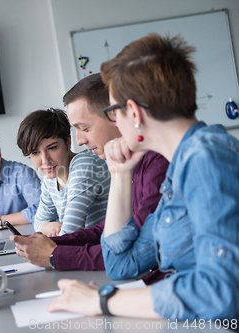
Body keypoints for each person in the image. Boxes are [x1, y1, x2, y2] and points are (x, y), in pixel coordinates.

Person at [48, 34, 239, 321]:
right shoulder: (180, 167)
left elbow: (219, 294)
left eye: (113, 111)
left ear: (134, 112)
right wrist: (121, 174)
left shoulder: (205, 160)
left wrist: (103, 301)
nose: (114, 121)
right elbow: (120, 265)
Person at [11, 74, 168, 284]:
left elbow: (127, 254)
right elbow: (106, 229)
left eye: (84, 128)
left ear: (117, 118)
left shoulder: (158, 163)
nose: (80, 140)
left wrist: (53, 254)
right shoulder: (132, 162)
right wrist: (51, 243)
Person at [16, 108, 110, 237]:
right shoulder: (50, 180)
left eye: (52, 148)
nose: (45, 161)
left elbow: (71, 232)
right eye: (35, 152)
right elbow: (38, 221)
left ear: (68, 141)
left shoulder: (84, 165)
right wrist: (47, 226)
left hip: (104, 250)